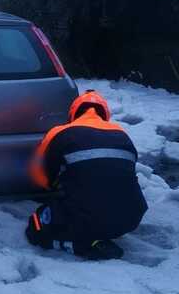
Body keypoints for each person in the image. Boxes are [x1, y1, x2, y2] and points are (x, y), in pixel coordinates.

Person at [26, 90, 148, 260]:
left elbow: (40, 176)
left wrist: (57, 184)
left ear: (73, 113)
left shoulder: (60, 132)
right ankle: (99, 230)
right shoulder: (122, 135)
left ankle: (81, 245)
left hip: (85, 216)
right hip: (130, 218)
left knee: (36, 227)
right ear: (105, 114)